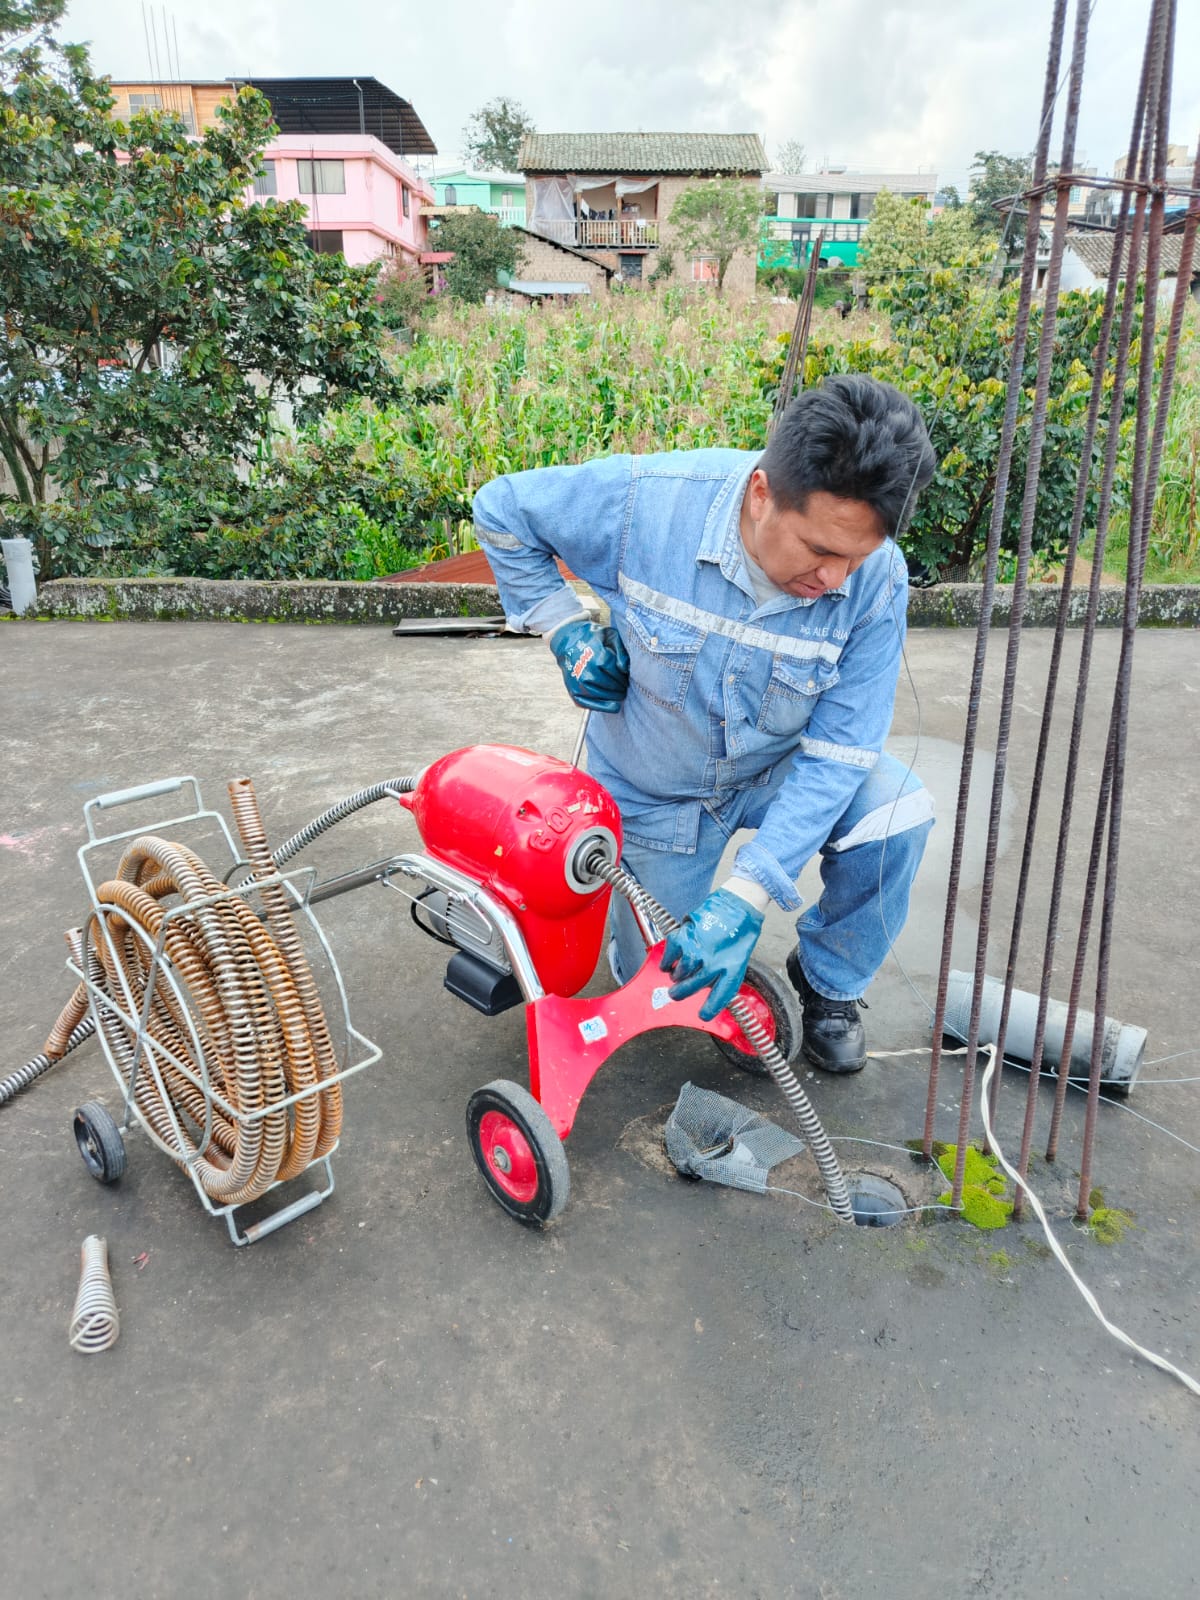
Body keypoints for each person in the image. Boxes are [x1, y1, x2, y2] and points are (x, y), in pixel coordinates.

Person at [471, 375, 937, 1073]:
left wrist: (751, 892)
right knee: (655, 985)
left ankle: (831, 982)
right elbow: (501, 509)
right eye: (819, 548)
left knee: (896, 812)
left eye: (857, 557)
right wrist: (564, 628)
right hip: (655, 788)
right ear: (760, 496)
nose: (835, 578)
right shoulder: (646, 505)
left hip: (775, 772)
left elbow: (841, 752)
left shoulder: (876, 581)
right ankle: (657, 928)